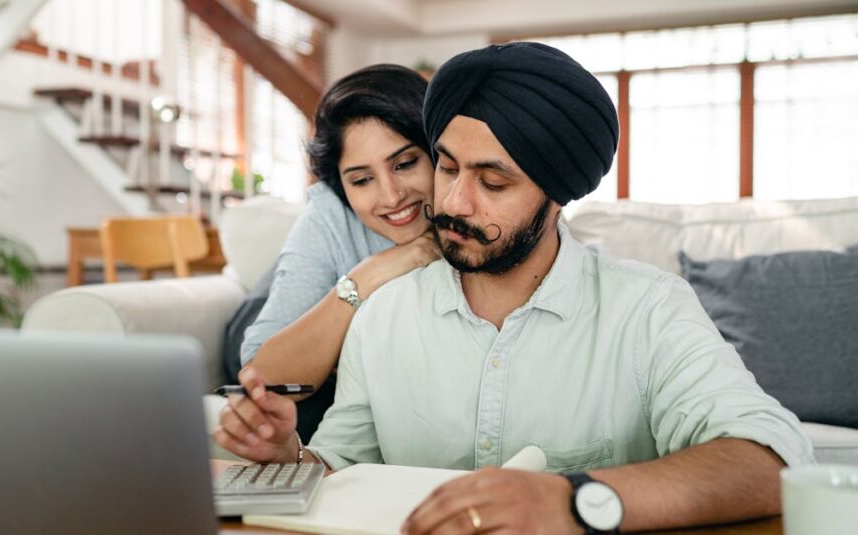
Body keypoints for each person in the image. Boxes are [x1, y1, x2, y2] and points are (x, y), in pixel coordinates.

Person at [215, 42, 814, 533]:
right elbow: (342, 468)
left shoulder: (648, 308)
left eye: (493, 182)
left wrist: (574, 501)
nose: (453, 202)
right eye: (447, 167)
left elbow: (771, 461)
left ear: (558, 193)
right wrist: (289, 458)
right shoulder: (383, 313)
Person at [231, 64, 440, 441]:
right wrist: (372, 272)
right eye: (362, 179)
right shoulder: (329, 213)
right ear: (341, 186)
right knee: (304, 412)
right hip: (265, 317)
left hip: (334, 339)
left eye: (406, 163)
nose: (392, 195)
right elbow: (264, 375)